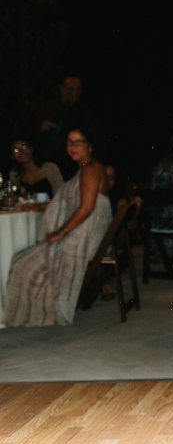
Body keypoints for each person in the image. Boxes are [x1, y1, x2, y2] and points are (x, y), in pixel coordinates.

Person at [2, 128, 113, 326]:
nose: (73, 146)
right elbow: (72, 201)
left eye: (79, 142)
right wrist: (41, 205)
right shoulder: (85, 168)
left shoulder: (91, 169)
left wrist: (60, 233)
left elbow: (86, 209)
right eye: (70, 142)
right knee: (23, 258)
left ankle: (39, 312)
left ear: (89, 146)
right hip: (85, 231)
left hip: (85, 235)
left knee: (23, 262)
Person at [29, 76, 105, 181]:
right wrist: (39, 127)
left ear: (80, 92)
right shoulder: (45, 107)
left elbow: (95, 141)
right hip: (39, 165)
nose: (70, 90)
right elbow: (26, 129)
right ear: (61, 88)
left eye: (75, 88)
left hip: (67, 169)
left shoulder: (85, 114)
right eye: (68, 86)